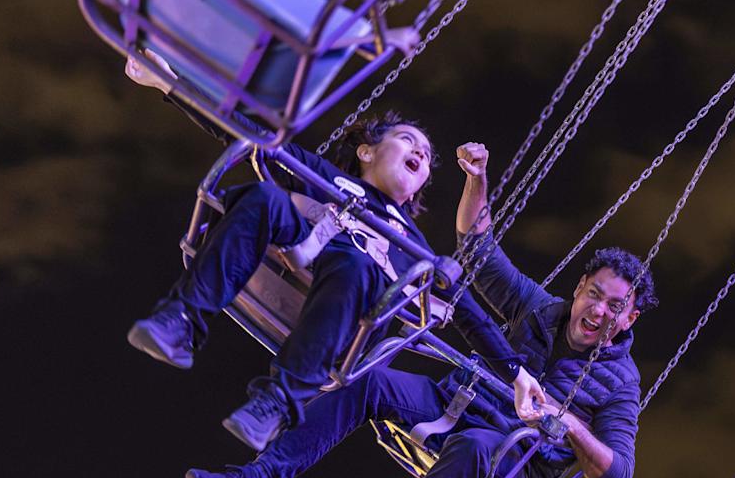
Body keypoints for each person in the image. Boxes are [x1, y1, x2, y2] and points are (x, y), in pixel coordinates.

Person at [183, 143, 658, 478]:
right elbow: (477, 250)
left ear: (630, 319)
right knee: (368, 379)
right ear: (579, 289)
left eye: (615, 306)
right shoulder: (541, 308)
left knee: (473, 447)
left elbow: (618, 475)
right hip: (458, 401)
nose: (598, 311)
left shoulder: (621, 383)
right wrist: (477, 179)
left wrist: (568, 420)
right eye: (594, 294)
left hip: (506, 459)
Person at [123, 49, 522, 450]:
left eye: (426, 156)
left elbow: (469, 314)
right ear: (367, 151)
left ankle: (276, 403)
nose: (420, 153)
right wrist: (168, 83)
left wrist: (520, 377)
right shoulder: (325, 180)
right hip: (293, 270)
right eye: (407, 140)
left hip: (349, 313)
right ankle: (182, 319)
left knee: (359, 267)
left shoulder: (415, 248)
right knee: (265, 197)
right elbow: (246, 134)